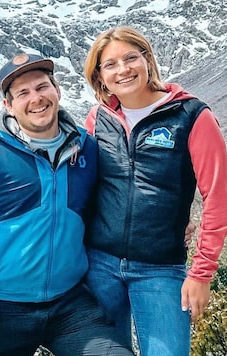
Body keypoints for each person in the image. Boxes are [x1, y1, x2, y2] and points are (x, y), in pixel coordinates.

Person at [0, 53, 133, 355]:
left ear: (57, 89)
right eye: (23, 93)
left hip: (69, 305)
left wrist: (175, 219)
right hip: (0, 308)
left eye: (42, 87)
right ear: (8, 105)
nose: (36, 98)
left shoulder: (87, 148)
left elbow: (117, 199)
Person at [83, 26, 227, 356]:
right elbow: (85, 188)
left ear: (148, 60)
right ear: (100, 77)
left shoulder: (192, 116)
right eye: (111, 64)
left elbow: (218, 197)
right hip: (99, 266)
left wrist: (201, 273)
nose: (123, 69)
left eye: (131, 58)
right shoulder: (97, 119)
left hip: (160, 270)